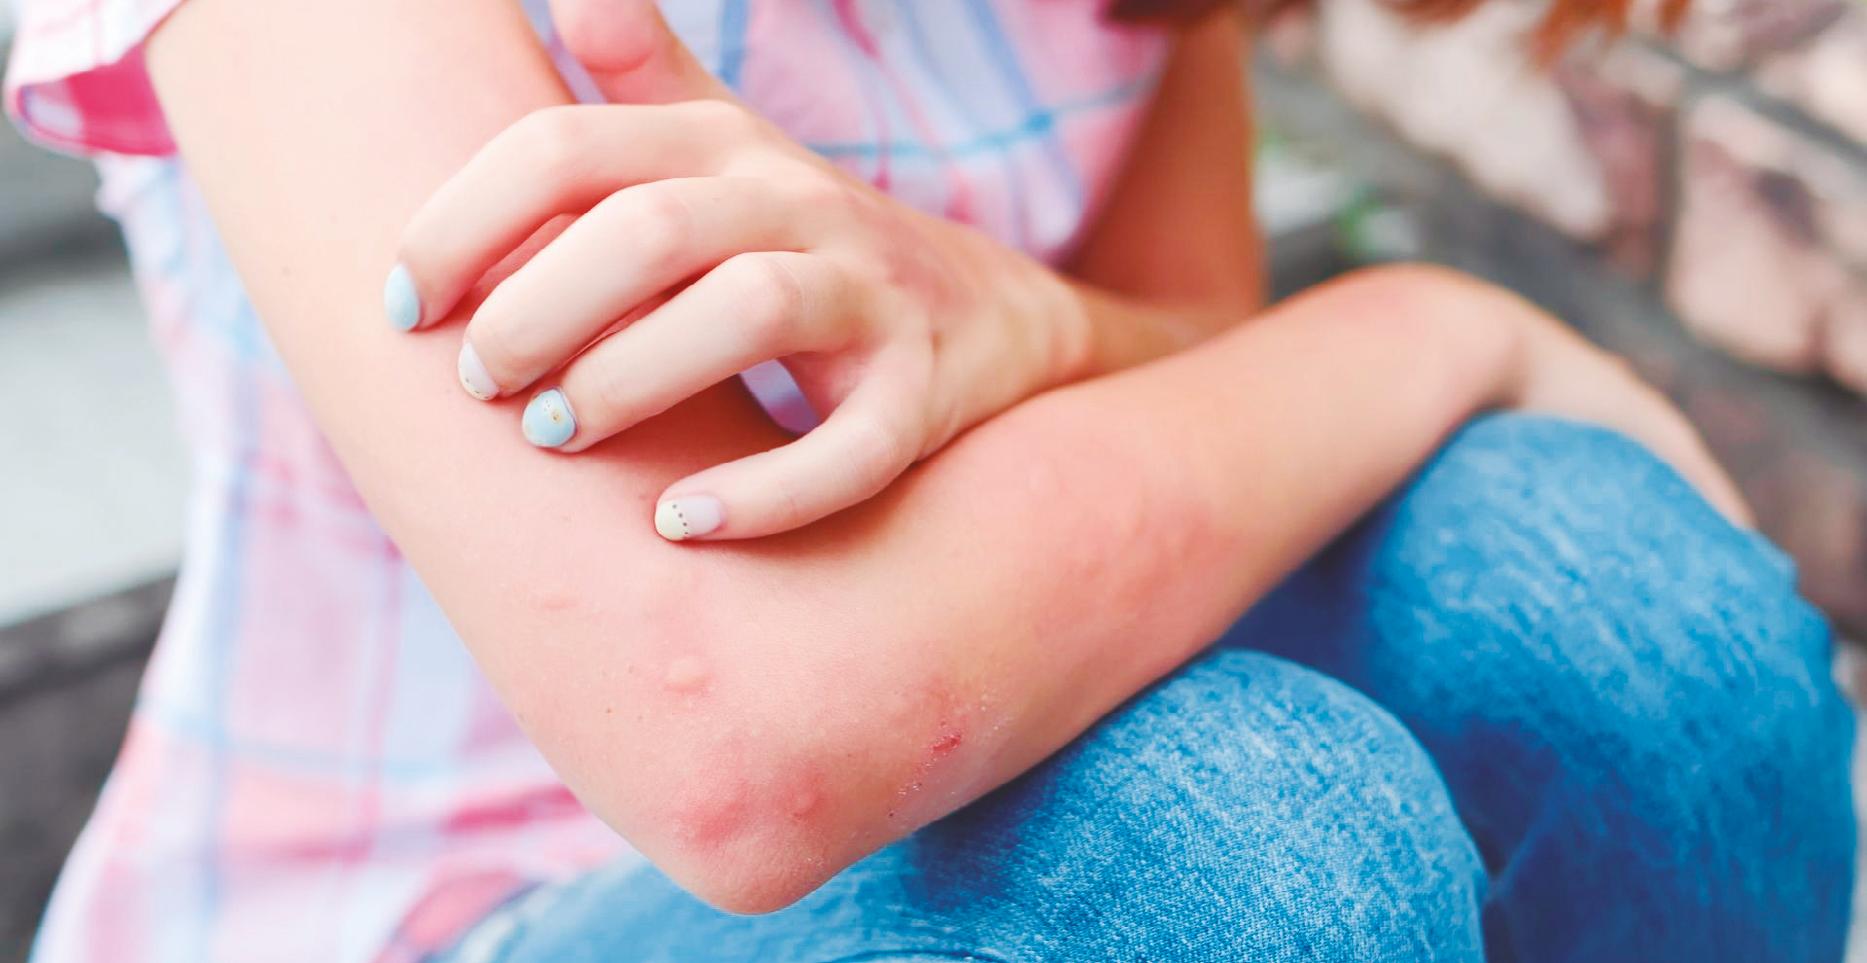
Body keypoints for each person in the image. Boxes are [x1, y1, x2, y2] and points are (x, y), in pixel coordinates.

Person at [6, 0, 1852, 960]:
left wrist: (1026, 317)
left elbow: (1200, 359)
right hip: (439, 907)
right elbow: (740, 733)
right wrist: (1431, 325)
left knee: (1598, 594)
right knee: (1236, 842)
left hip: (1003, 724)